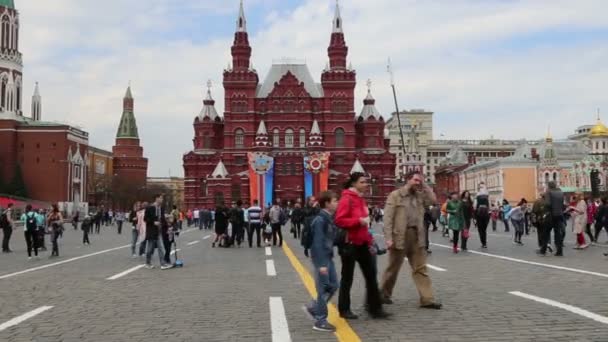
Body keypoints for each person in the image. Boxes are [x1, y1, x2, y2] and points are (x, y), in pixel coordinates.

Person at [381, 170, 442, 310]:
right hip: (400, 235)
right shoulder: (396, 195)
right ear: (407, 180)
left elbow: (433, 200)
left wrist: (425, 185)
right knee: (393, 268)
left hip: (417, 235)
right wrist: (389, 238)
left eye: (420, 180)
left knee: (420, 268)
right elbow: (388, 218)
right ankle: (384, 294)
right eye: (415, 180)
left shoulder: (420, 196)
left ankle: (427, 299)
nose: (418, 183)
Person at [335, 172, 390, 320]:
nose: (366, 184)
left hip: (364, 243)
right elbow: (340, 220)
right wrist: (358, 221)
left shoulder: (360, 199)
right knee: (347, 278)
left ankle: (375, 309)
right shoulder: (347, 199)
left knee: (371, 277)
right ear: (353, 184)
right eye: (362, 182)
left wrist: (370, 239)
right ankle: (344, 309)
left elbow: (366, 223)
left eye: (366, 182)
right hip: (350, 244)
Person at [303, 191, 340, 332]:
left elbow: (330, 239)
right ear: (327, 203)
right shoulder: (320, 220)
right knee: (323, 289)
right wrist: (321, 264)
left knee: (334, 285)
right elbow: (317, 243)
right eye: (335, 201)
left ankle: (314, 307)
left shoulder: (329, 218)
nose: (337, 203)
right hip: (322, 259)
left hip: (327, 257)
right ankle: (320, 320)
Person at [538, 181, 565, 256]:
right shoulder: (560, 192)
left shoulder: (549, 192)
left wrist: (544, 208)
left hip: (550, 215)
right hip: (559, 215)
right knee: (558, 233)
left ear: (549, 186)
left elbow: (548, 204)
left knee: (545, 233)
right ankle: (559, 251)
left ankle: (543, 250)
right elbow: (563, 204)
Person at [144, 194, 171, 269]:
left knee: (161, 248)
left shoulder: (161, 208)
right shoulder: (149, 208)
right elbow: (145, 219)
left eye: (162, 198)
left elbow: (162, 219)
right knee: (150, 249)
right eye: (161, 198)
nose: (162, 200)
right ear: (156, 199)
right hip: (151, 231)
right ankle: (148, 263)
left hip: (159, 231)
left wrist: (167, 226)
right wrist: (153, 222)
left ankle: (163, 264)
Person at [475, 183, 490, 249]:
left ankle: (483, 243)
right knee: (484, 229)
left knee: (480, 229)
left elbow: (475, 207)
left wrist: (474, 217)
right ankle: (484, 243)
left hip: (479, 214)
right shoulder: (487, 195)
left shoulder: (477, 196)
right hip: (486, 214)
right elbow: (489, 206)